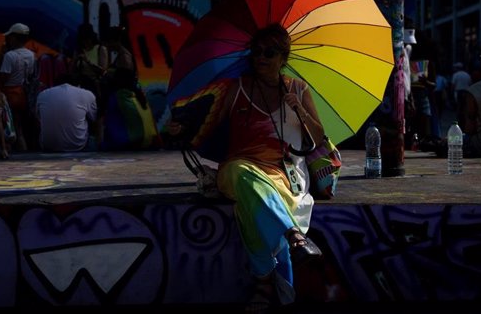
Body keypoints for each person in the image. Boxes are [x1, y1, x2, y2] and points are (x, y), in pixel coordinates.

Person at [167, 23, 325, 313]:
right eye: (256, 53)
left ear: (283, 58)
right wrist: (179, 127)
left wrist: (299, 110)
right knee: (242, 174)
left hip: (279, 174)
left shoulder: (298, 90)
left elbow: (317, 139)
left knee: (251, 203)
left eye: (269, 53)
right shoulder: (235, 87)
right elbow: (200, 126)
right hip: (236, 168)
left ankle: (263, 282)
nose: (260, 58)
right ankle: (293, 235)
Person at [0, 23, 36, 152]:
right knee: (19, 127)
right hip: (22, 93)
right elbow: (30, 74)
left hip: (9, 93)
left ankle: (12, 151)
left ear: (14, 38)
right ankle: (23, 152)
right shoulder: (31, 55)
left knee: (9, 126)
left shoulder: (10, 55)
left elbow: (3, 77)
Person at [100, 67, 160, 151]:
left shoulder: (115, 97)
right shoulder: (139, 96)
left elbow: (102, 120)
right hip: (148, 142)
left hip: (126, 143)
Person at [35, 72, 97, 152]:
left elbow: (38, 118)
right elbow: (94, 118)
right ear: (78, 85)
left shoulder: (42, 95)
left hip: (48, 145)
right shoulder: (87, 94)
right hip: (78, 145)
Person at [450, 62, 472, 127]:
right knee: (465, 108)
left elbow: (453, 85)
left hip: (459, 92)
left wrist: (451, 93)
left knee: (459, 107)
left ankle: (459, 122)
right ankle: (464, 121)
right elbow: (470, 84)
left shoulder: (456, 75)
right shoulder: (467, 75)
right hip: (466, 92)